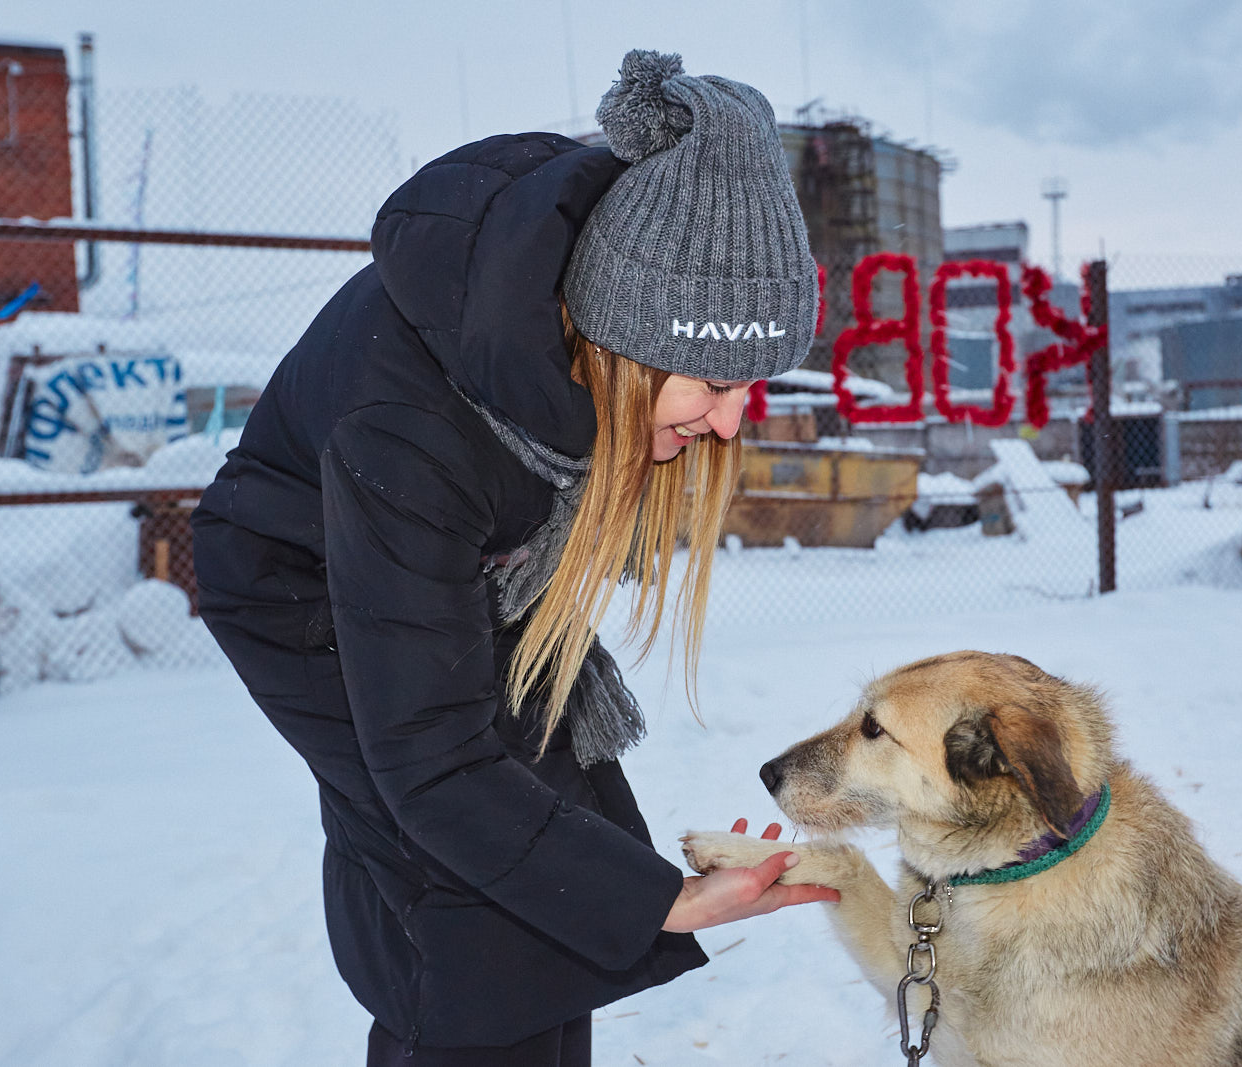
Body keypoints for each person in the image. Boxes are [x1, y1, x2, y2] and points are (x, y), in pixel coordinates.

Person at [191, 50, 835, 1066]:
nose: (729, 420)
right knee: (452, 878)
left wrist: (631, 892)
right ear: (625, 339)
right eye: (712, 382)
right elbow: (432, 760)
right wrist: (659, 898)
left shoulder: (582, 316)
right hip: (296, 581)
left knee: (545, 830)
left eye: (753, 385)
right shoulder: (410, 426)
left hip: (469, 560)